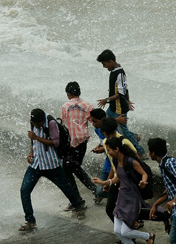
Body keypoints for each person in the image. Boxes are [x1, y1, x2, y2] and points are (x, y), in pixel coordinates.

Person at [19, 109, 86, 231]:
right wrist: (31, 152)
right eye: (34, 124)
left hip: (51, 165)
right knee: (24, 190)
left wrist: (37, 137)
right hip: (36, 165)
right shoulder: (33, 122)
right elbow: (32, 140)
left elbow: (55, 143)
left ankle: (78, 206)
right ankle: (30, 221)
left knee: (66, 187)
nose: (36, 126)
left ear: (42, 120)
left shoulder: (51, 123)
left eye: (37, 124)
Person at [92, 137, 155, 244]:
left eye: (109, 150)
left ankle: (149, 236)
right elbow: (117, 177)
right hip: (121, 197)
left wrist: (143, 181)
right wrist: (105, 182)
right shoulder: (116, 161)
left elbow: (144, 173)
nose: (108, 152)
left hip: (132, 198)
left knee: (125, 231)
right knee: (117, 230)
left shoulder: (131, 161)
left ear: (117, 149)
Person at [95, 49, 148, 159]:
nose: (104, 67)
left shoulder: (120, 73)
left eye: (104, 64)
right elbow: (125, 89)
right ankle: (135, 136)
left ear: (111, 61)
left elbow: (121, 92)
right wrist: (128, 101)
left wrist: (107, 100)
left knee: (124, 131)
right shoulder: (114, 72)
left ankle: (140, 151)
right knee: (108, 124)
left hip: (118, 109)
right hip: (113, 107)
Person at [61, 82, 97, 210]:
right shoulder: (88, 106)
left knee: (68, 171)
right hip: (82, 143)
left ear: (69, 94)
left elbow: (64, 126)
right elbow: (94, 122)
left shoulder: (66, 106)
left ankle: (77, 200)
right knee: (75, 168)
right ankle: (94, 190)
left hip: (70, 143)